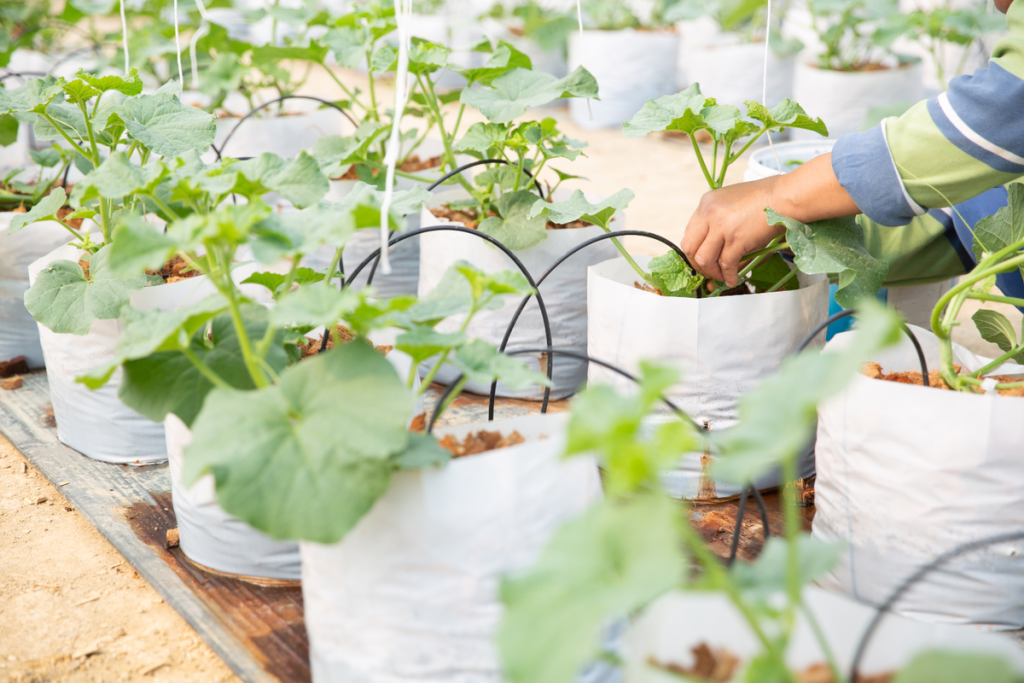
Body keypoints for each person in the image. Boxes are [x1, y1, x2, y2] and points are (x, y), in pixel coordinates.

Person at [681, 0, 1024, 300]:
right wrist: (792, 239)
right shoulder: (991, 165)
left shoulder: (1001, 121)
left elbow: (1001, 111)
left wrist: (779, 196)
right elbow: (955, 216)